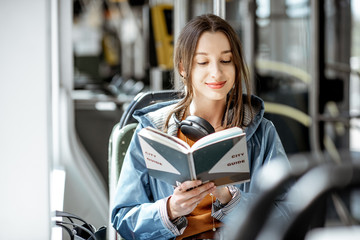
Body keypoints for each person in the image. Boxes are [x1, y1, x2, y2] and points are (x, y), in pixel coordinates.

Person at [111, 14, 291, 239]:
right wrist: (170, 210)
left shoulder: (262, 134)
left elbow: (288, 215)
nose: (216, 72)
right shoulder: (151, 131)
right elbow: (123, 219)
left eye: (226, 61)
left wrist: (230, 198)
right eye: (203, 62)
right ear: (184, 68)